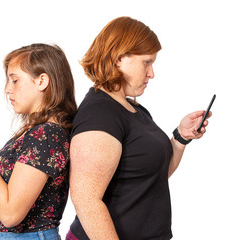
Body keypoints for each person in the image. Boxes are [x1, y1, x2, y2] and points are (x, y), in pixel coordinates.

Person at [66, 17, 212, 240]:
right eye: (147, 62)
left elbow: (153, 175)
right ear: (119, 59)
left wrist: (180, 138)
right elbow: (85, 199)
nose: (152, 73)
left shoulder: (132, 108)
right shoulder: (100, 115)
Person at [0, 43, 77, 240]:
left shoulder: (46, 136)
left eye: (15, 80)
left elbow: (10, 214)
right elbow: (9, 188)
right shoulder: (41, 133)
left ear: (42, 81)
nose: (8, 89)